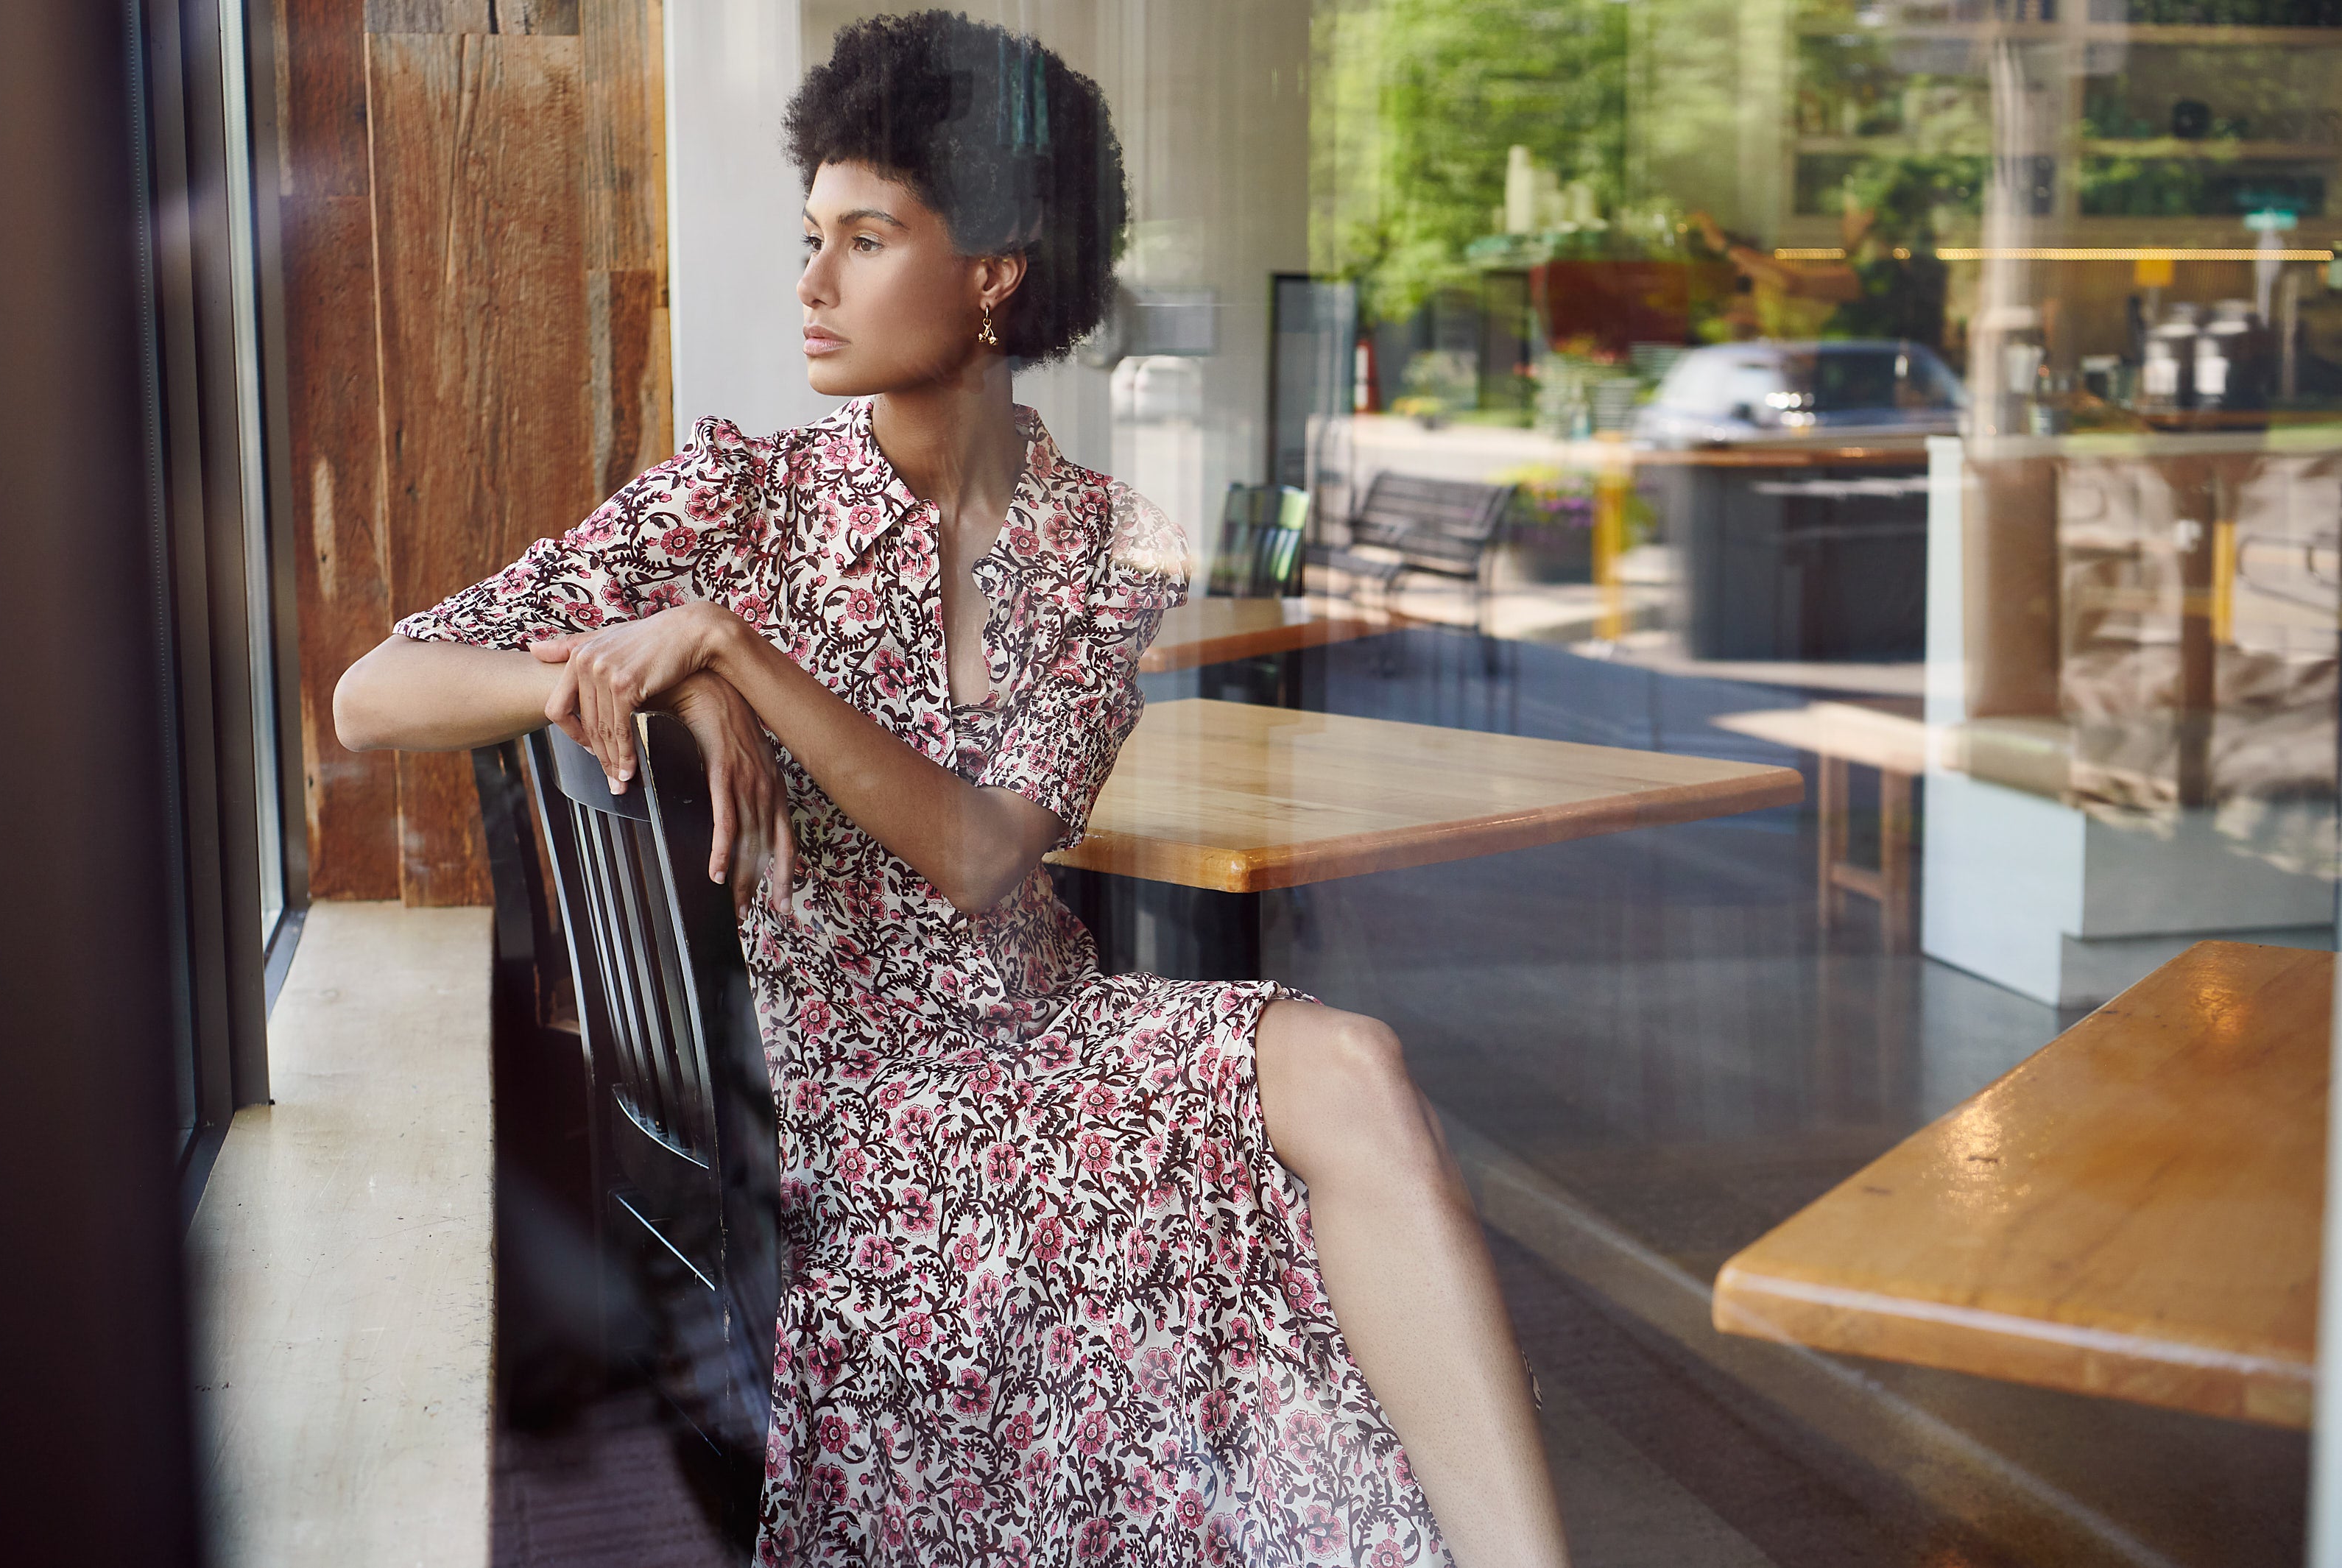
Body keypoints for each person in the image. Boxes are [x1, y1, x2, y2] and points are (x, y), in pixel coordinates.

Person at [334, 13, 1566, 1564]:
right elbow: (374, 693)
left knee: (1354, 1063)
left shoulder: (1113, 542)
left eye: (865, 238)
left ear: (991, 268)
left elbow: (984, 853)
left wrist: (736, 653)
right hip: (857, 1110)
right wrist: (627, 670)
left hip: (1056, 1038)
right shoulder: (741, 495)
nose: (811, 284)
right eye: (810, 237)